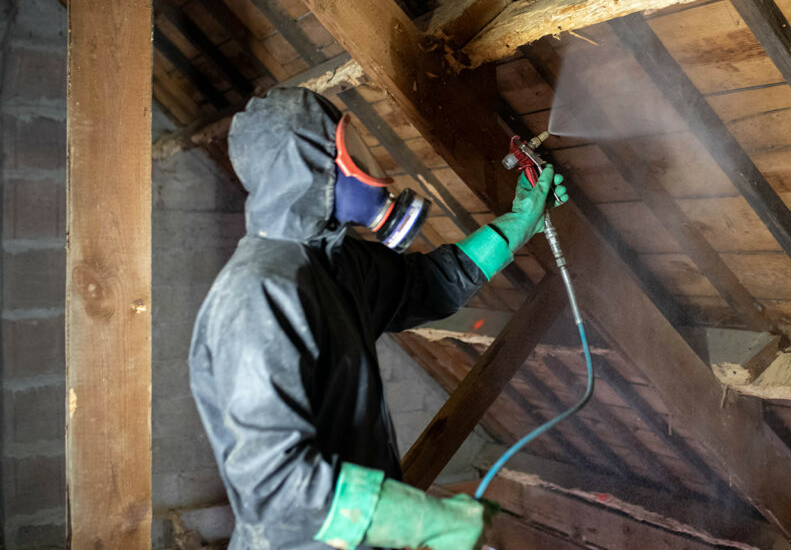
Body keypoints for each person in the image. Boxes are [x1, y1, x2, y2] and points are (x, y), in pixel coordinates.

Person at [189, 87, 566, 549]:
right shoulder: (260, 294)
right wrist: (427, 522)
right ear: (310, 170)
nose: (371, 172)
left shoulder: (334, 265)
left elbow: (429, 283)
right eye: (351, 152)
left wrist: (519, 223)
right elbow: (276, 484)